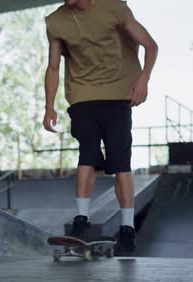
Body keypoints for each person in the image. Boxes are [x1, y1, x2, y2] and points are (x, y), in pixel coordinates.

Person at [43, 0, 158, 254]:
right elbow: (53, 67)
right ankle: (81, 221)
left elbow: (150, 45)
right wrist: (49, 106)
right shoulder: (56, 21)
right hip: (83, 96)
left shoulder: (115, 8)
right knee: (88, 152)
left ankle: (128, 229)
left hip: (118, 94)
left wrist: (143, 80)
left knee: (120, 162)